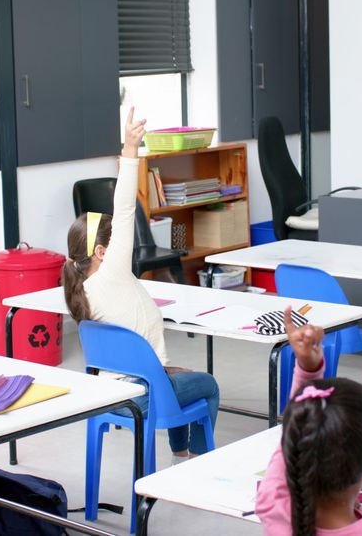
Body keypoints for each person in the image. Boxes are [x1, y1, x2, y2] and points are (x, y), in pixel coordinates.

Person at [61, 108, 220, 463]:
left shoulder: (80, 289)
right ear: (102, 251)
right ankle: (196, 459)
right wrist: (131, 150)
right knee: (206, 385)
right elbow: (124, 208)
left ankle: (179, 449)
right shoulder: (112, 273)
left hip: (114, 390)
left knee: (181, 375)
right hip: (142, 394)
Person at [255, 308, 362, 536]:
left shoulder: (274, 508)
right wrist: (309, 371)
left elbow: (293, 438)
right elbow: (293, 438)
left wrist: (308, 372)